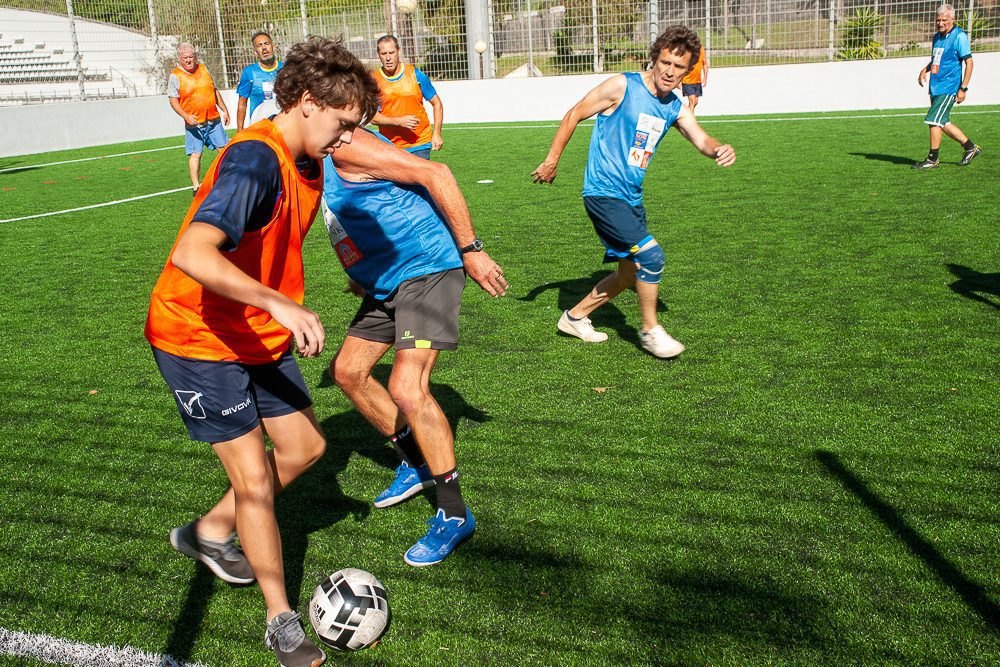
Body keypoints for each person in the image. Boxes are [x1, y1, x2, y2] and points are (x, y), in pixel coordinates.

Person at [147, 37, 378, 667]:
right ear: (307, 102)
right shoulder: (254, 160)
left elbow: (306, 228)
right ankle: (281, 620)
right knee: (253, 480)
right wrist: (279, 302)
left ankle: (208, 531)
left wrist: (352, 275)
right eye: (342, 124)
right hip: (197, 335)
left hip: (251, 329)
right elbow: (192, 253)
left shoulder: (310, 161)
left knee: (306, 448)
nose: (347, 138)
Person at [322, 128, 507, 566]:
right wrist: (357, 268)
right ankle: (416, 464)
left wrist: (472, 250)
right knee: (348, 372)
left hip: (428, 267)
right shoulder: (313, 156)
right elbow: (341, 216)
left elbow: (435, 172)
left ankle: (454, 512)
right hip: (386, 279)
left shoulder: (349, 144)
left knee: (408, 388)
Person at [531, 26, 735, 359]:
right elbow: (574, 114)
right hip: (602, 193)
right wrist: (552, 160)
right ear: (655, 58)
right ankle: (650, 330)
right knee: (652, 257)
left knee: (629, 272)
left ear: (688, 70)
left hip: (631, 197)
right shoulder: (622, 85)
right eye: (666, 62)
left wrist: (718, 149)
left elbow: (701, 138)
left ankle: (574, 317)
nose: (670, 72)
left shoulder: (675, 107)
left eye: (679, 67)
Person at [913, 4, 981, 169]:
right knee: (942, 122)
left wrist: (963, 88)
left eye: (944, 20)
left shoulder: (959, 36)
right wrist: (925, 69)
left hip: (949, 87)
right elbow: (937, 59)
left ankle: (932, 159)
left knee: (933, 120)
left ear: (952, 19)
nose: (940, 23)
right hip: (936, 86)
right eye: (938, 20)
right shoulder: (937, 37)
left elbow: (969, 62)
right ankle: (970, 147)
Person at [168, 43, 231, 194]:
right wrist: (185, 116)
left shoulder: (203, 69)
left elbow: (214, 91)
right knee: (196, 154)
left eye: (191, 57)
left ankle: (231, 178)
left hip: (214, 121)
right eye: (185, 58)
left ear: (195, 56)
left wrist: (224, 110)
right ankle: (196, 186)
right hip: (194, 124)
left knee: (225, 150)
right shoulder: (175, 76)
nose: (189, 60)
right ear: (180, 59)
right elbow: (172, 99)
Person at [370, 35, 444, 159]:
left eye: (391, 52)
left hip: (420, 143)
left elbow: (437, 104)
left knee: (418, 178)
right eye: (383, 53)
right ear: (378, 54)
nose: (388, 58)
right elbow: (373, 118)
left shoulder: (416, 75)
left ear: (398, 51)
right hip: (391, 145)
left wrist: (437, 133)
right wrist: (398, 121)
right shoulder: (374, 81)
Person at [236, 31, 284, 132]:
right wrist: (240, 129)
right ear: (255, 52)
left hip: (282, 125)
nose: (264, 48)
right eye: (259, 45)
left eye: (266, 44)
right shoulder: (249, 72)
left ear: (273, 46)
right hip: (259, 128)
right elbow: (242, 103)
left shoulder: (285, 69)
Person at [681, 44, 708, 115]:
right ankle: (691, 122)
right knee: (692, 101)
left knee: (695, 102)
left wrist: (705, 78)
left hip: (697, 81)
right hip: (687, 80)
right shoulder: (687, 49)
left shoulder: (701, 48)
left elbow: (705, 63)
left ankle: (684, 115)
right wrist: (679, 81)